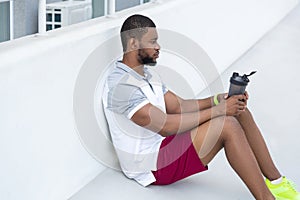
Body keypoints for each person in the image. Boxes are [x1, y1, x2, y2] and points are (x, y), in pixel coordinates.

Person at [102, 14, 300, 200]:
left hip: (162, 147)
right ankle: (267, 198)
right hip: (149, 165)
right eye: (152, 41)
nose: (158, 47)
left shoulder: (147, 75)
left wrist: (218, 100)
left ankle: (277, 183)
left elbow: (179, 106)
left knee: (239, 110)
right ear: (133, 43)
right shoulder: (122, 86)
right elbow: (166, 126)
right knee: (227, 125)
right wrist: (221, 110)